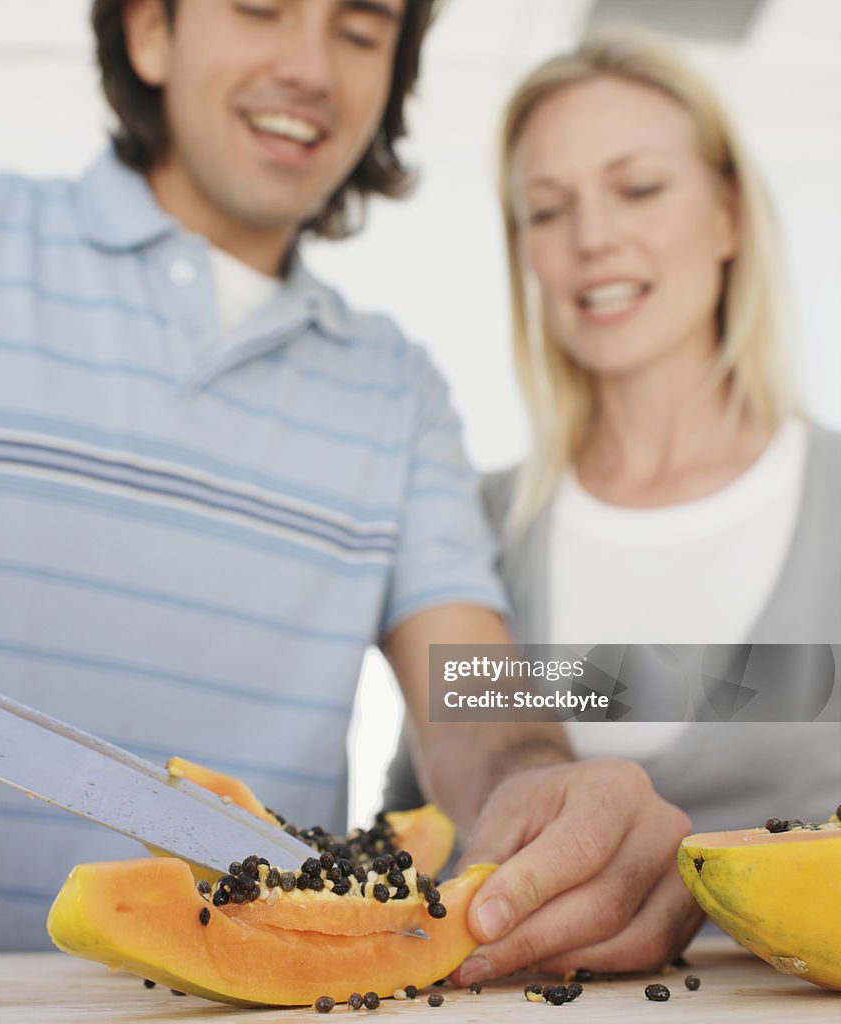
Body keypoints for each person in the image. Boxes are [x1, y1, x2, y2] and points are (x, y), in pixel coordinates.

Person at [0, 3, 693, 976]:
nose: (311, 67)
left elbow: (469, 699)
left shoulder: (399, 392)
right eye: (259, 8)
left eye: (361, 31)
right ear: (150, 32)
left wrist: (542, 784)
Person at [385, 29, 841, 981]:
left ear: (728, 217)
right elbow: (419, 821)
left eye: (638, 188)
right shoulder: (472, 532)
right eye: (547, 210)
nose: (593, 237)